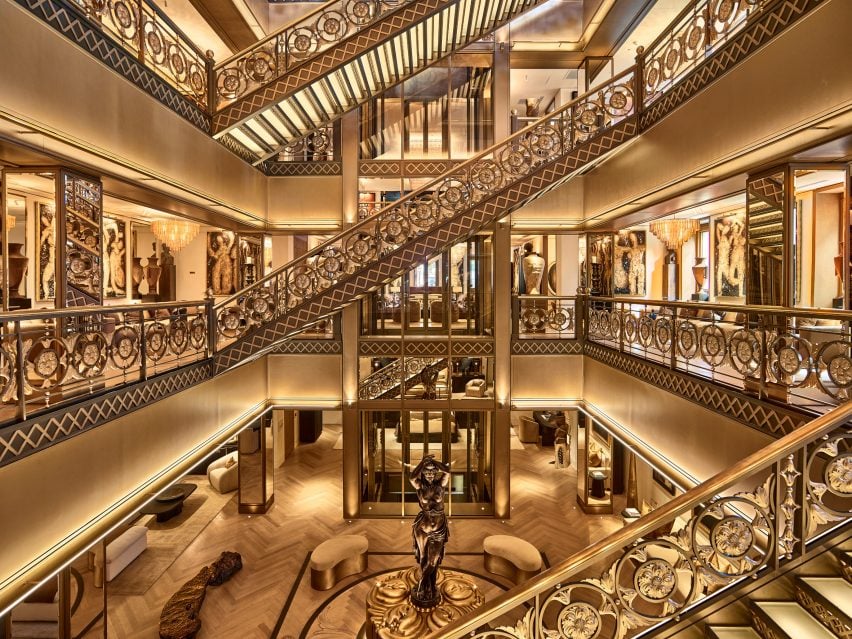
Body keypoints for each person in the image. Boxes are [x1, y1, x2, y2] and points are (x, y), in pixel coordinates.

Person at [403, 454, 451, 607]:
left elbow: (448, 472)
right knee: (424, 558)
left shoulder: (440, 485)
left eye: (432, 471)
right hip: (422, 527)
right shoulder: (420, 486)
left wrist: (434, 462)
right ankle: (429, 585)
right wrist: (423, 462)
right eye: (427, 471)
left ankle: (422, 583)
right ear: (422, 472)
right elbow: (411, 477)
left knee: (432, 560)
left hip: (438, 528)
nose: (430, 474)